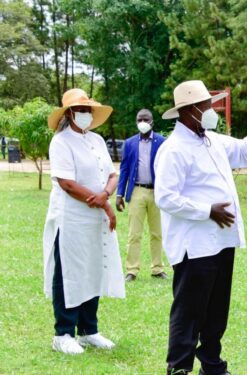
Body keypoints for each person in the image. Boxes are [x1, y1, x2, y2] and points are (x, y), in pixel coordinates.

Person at [155, 80, 247, 375]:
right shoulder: (174, 149)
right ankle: (179, 367)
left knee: (217, 309)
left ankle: (211, 364)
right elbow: (166, 198)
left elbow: (244, 154)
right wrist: (207, 210)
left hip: (221, 239)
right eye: (206, 106)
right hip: (194, 244)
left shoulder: (212, 140)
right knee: (189, 309)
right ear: (189, 111)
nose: (211, 111)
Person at [43, 88, 125, 355]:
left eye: (89, 110)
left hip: (95, 215)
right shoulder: (61, 142)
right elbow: (67, 183)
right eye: (81, 110)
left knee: (93, 268)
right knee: (69, 271)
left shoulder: (98, 140)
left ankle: (89, 330)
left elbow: (112, 175)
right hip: (71, 217)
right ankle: (63, 332)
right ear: (69, 114)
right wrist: (103, 202)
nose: (86, 114)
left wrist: (105, 196)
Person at [116, 109, 167, 282]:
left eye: (146, 119)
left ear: (152, 122)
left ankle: (157, 268)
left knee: (157, 233)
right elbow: (123, 169)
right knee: (134, 233)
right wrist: (119, 194)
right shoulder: (130, 143)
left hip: (157, 192)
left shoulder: (162, 142)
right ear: (136, 121)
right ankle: (132, 269)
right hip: (136, 190)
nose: (143, 122)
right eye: (139, 119)